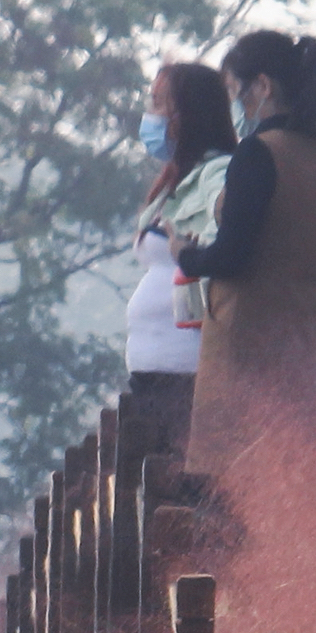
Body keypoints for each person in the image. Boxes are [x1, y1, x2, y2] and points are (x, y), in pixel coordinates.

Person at [176, 29, 316, 474]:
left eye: (236, 91)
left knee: (223, 485)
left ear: (264, 87)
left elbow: (232, 254)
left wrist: (186, 256)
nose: (235, 105)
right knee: (291, 471)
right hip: (301, 345)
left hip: (240, 346)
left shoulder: (257, 154)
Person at [121, 60, 241, 460]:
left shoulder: (219, 173)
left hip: (186, 367)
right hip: (151, 366)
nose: (149, 116)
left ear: (187, 113)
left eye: (158, 104)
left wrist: (193, 246)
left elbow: (226, 229)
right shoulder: (171, 182)